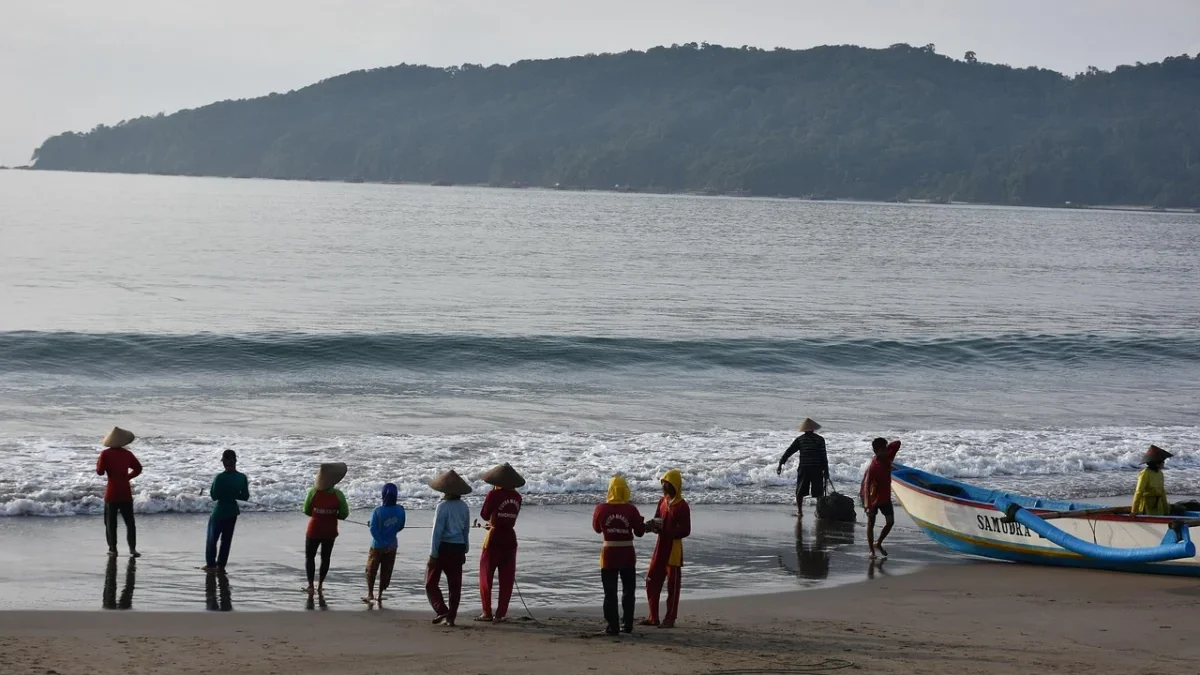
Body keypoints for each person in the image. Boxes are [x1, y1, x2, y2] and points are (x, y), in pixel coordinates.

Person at [592, 475, 646, 635]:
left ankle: (612, 626)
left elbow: (596, 529)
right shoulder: (631, 509)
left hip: (608, 555)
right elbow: (640, 532)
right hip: (628, 554)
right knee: (629, 591)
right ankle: (627, 625)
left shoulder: (601, 509)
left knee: (610, 592)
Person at [641, 469, 691, 629]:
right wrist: (652, 526)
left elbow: (685, 530)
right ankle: (653, 617)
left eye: (666, 484)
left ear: (674, 485)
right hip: (660, 547)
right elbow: (657, 519)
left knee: (672, 586)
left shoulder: (682, 506)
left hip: (673, 550)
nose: (663, 487)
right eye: (662, 483)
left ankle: (670, 618)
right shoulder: (662, 502)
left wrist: (669, 531)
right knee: (651, 580)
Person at [476, 463, 524, 623]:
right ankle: (501, 613)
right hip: (510, 537)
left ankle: (486, 612)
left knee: (486, 576)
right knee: (507, 579)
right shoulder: (517, 497)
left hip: (494, 537)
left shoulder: (493, 495)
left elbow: (484, 515)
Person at [426, 469, 472, 626]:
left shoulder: (443, 507)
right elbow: (466, 529)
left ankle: (442, 609)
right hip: (458, 548)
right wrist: (465, 548)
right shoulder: (464, 507)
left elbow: (437, 532)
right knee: (455, 585)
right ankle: (451, 616)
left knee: (430, 583)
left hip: (444, 548)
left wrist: (433, 553)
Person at [302, 462, 349, 595]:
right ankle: (320, 584)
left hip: (314, 529)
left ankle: (310, 585)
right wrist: (334, 514)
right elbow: (344, 514)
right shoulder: (338, 495)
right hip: (330, 530)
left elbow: (306, 510)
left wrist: (318, 513)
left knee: (310, 557)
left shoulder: (313, 492)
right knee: (325, 557)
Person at [96, 427, 143, 557]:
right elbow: (138, 468)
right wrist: (127, 477)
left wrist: (100, 462)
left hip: (111, 492)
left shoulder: (105, 454)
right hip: (125, 491)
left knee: (111, 523)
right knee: (130, 522)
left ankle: (113, 549)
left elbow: (99, 472)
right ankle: (132, 549)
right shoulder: (127, 454)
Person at [205, 449, 249, 572]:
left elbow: (214, 496)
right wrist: (232, 495)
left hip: (219, 511)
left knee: (212, 540)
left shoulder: (220, 477)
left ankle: (211, 565)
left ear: (224, 461)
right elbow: (245, 496)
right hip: (232, 511)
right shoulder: (242, 477)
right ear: (235, 460)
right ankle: (221, 565)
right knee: (226, 541)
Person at [777, 418, 829, 517]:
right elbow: (823, 456)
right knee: (819, 492)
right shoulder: (820, 439)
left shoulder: (800, 439)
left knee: (800, 491)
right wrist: (826, 471)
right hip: (817, 468)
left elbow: (789, 451)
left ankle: (799, 511)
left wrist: (781, 463)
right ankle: (819, 511)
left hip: (804, 468)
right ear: (813, 429)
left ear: (804, 429)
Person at [364, 483, 406, 605]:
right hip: (392, 545)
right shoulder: (400, 510)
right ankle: (380, 594)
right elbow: (401, 526)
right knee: (386, 571)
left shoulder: (377, 511)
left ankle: (370, 593)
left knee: (371, 570)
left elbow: (373, 529)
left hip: (377, 545)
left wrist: (382, 542)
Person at [860, 438, 900, 559]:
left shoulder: (888, 458)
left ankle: (878, 543)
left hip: (885, 497)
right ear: (876, 451)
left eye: (885, 448)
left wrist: (887, 447)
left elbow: (897, 444)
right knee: (871, 523)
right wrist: (868, 506)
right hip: (871, 498)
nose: (885, 451)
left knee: (890, 522)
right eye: (882, 449)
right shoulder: (873, 467)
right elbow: (866, 487)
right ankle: (871, 550)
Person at [1132, 444, 1173, 515]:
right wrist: (1134, 511)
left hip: (1158, 505)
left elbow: (1162, 492)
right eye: (1162, 462)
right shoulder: (1145, 473)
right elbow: (1138, 492)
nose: (1163, 463)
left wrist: (1166, 509)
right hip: (1147, 505)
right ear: (1157, 463)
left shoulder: (1160, 473)